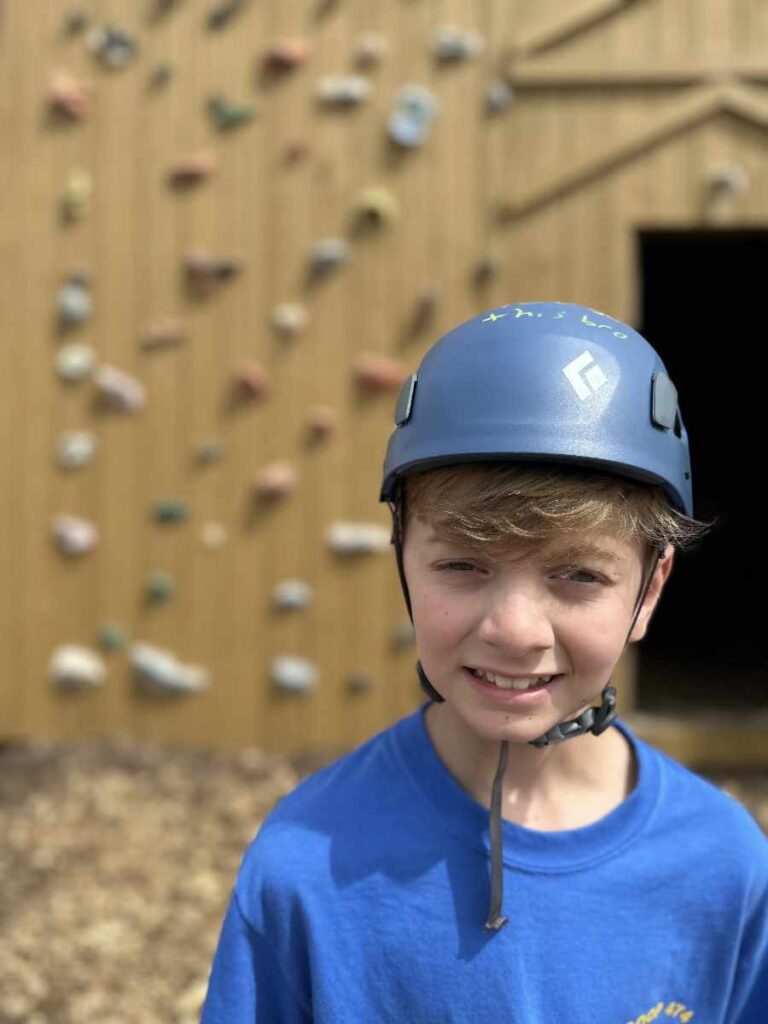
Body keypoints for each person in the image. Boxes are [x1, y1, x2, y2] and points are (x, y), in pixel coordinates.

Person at [201, 302, 767, 1023]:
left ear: (649, 590)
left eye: (579, 575)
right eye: (463, 564)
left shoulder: (725, 868)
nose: (515, 631)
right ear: (402, 560)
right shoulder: (303, 867)